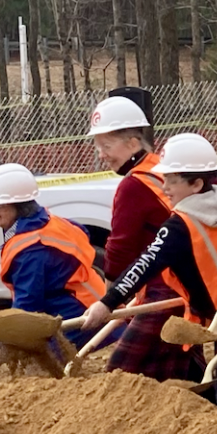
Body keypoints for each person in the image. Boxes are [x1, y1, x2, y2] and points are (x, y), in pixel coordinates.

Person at [78, 133, 217, 405]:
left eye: (172, 182)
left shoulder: (181, 226)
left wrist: (106, 303)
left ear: (196, 184)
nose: (165, 189)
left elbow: (144, 266)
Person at [87, 94, 198, 380]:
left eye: (106, 146)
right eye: (98, 146)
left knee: (122, 372)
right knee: (182, 364)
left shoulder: (134, 185)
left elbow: (120, 248)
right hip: (190, 283)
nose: (101, 154)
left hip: (167, 287)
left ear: (133, 143)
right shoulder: (162, 169)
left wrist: (111, 295)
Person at [0, 163, 105, 320]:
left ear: (19, 205)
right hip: (88, 304)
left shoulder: (31, 250)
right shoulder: (45, 222)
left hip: (81, 318)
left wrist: (10, 337)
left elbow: (27, 307)